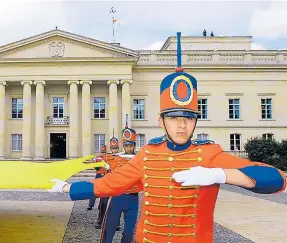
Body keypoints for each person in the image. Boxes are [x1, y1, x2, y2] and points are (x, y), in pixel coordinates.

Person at [48, 32, 287, 243]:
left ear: (196, 120)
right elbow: (111, 183)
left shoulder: (209, 154)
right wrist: (69, 188)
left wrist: (220, 174)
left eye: (189, 118)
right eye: (174, 118)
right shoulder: (148, 154)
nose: (182, 125)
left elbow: (276, 180)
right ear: (161, 120)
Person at [100, 121, 140, 243]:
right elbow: (105, 170)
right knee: (109, 229)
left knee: (129, 232)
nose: (128, 148)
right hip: (118, 196)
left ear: (134, 146)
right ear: (123, 146)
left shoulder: (139, 159)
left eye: (131, 146)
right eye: (126, 146)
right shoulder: (116, 158)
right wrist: (100, 166)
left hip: (133, 198)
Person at [95, 130, 121, 230]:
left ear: (118, 148)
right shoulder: (105, 157)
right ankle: (100, 220)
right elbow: (99, 170)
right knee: (103, 203)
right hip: (107, 183)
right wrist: (98, 165)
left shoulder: (121, 157)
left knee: (116, 204)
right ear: (110, 148)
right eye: (113, 148)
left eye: (116, 148)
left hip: (117, 184)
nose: (114, 150)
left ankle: (117, 223)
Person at [87, 144, 110, 210]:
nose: (102, 153)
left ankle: (101, 206)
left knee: (104, 192)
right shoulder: (98, 158)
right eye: (102, 151)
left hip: (105, 176)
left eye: (104, 152)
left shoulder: (108, 158)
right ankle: (90, 205)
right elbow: (95, 166)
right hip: (99, 175)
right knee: (94, 190)